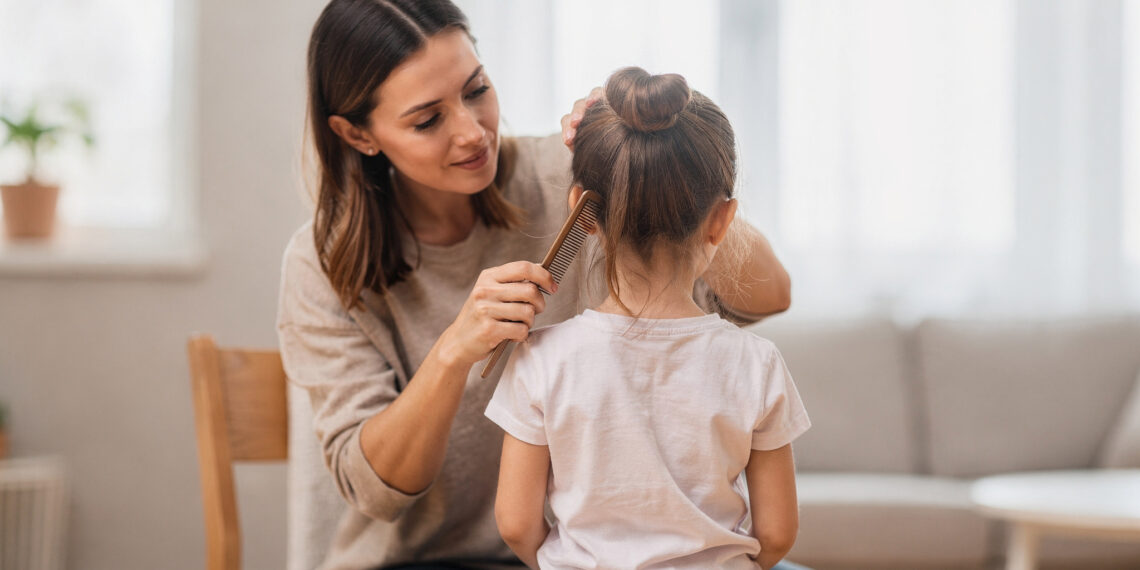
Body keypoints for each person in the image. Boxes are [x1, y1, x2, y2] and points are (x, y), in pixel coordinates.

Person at [276, 1, 792, 568]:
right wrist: (452, 353)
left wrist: (650, 165)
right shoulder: (322, 264)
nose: (472, 133)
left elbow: (771, 294)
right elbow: (377, 492)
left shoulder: (563, 172)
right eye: (427, 121)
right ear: (357, 134)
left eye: (476, 90)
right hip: (419, 559)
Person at [486, 67, 811, 570]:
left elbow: (515, 523)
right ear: (722, 220)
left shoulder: (539, 358)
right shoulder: (757, 362)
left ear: (582, 214)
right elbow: (776, 533)